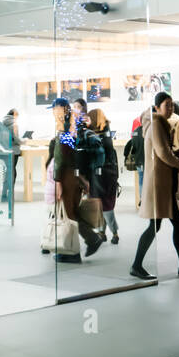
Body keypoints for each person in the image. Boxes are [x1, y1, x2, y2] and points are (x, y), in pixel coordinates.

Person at [129, 92, 179, 280]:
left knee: (174, 222)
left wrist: (177, 153)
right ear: (157, 107)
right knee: (156, 224)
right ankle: (137, 265)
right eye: (167, 105)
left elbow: (164, 151)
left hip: (163, 180)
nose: (171, 108)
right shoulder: (157, 124)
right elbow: (162, 153)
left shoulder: (157, 123)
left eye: (172, 105)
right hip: (160, 182)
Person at [52, 98, 103, 259]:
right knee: (71, 212)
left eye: (56, 109)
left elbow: (63, 156)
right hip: (73, 175)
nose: (55, 112)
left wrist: (58, 180)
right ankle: (78, 245)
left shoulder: (66, 129)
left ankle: (74, 251)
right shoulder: (72, 126)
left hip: (67, 177)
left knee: (69, 214)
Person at [87, 107, 120, 244]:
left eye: (89, 118)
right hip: (105, 177)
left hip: (102, 177)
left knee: (105, 207)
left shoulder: (99, 138)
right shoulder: (104, 134)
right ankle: (102, 232)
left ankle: (114, 233)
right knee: (102, 207)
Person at [0, 109, 22, 203]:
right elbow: (16, 139)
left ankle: (4, 195)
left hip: (4, 151)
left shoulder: (2, 123)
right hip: (13, 150)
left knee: (7, 171)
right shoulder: (14, 124)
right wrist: (23, 141)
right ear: (15, 115)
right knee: (12, 172)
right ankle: (10, 195)